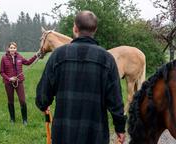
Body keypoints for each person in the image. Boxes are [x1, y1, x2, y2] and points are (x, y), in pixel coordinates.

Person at [35, 11, 127, 144]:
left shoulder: (58, 56)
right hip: (95, 134)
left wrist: (43, 105)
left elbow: (43, 96)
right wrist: (120, 128)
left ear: (75, 28)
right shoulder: (107, 59)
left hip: (64, 133)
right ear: (95, 30)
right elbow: (115, 100)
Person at [0, 42, 38, 125]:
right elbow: (1, 72)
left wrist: (36, 55)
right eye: (11, 48)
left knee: (22, 100)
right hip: (8, 83)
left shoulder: (19, 57)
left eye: (14, 48)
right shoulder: (4, 58)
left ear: (16, 49)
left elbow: (28, 62)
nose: (12, 49)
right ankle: (12, 119)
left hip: (19, 82)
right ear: (8, 49)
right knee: (10, 101)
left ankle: (25, 120)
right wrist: (9, 78)